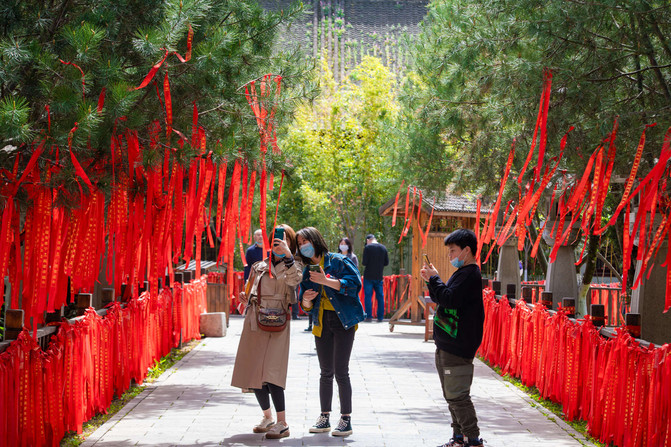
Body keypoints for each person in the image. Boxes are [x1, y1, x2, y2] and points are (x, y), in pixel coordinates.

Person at [231, 225, 302, 439]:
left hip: (277, 322)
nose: (278, 242)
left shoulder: (295, 265)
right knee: (255, 373)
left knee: (273, 373)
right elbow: (249, 289)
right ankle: (267, 417)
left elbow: (295, 281)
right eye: (275, 239)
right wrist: (245, 296)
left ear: (290, 242)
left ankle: (282, 423)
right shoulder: (259, 266)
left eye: (284, 239)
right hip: (255, 320)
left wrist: (288, 256)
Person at [297, 227, 364, 437]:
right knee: (325, 372)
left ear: (315, 240)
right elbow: (305, 304)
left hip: (343, 321)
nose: (303, 246)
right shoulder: (308, 270)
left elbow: (355, 285)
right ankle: (324, 417)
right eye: (300, 244)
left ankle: (346, 419)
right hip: (321, 322)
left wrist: (327, 281)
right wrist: (306, 300)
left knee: (341, 371)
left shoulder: (338, 261)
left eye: (305, 241)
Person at [420, 229, 485, 447]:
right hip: (448, 344)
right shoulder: (462, 273)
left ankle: (473, 440)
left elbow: (449, 299)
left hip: (458, 345)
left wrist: (435, 278)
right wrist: (432, 280)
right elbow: (443, 297)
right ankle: (458, 438)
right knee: (451, 395)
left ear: (467, 250)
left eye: (453, 251)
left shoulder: (470, 274)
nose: (450, 255)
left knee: (457, 395)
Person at [361, 233, 388, 322]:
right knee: (380, 297)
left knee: (368, 297)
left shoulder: (367, 248)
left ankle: (369, 317)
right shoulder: (383, 248)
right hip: (379, 276)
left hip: (368, 276)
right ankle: (380, 317)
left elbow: (364, 262)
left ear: (368, 240)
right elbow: (386, 263)